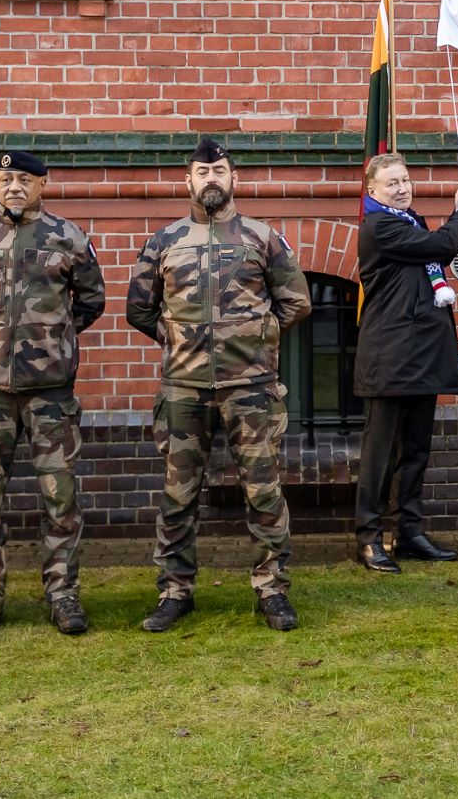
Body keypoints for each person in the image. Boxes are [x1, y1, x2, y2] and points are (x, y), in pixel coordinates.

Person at [126, 139, 311, 632]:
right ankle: (174, 591)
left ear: (234, 179)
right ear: (187, 180)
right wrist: (179, 341)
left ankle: (272, 590)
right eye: (203, 171)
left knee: (264, 492)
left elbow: (297, 302)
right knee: (178, 496)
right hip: (183, 391)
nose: (212, 178)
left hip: (251, 389)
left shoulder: (262, 238)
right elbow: (138, 308)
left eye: (220, 171)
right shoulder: (165, 241)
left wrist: (256, 339)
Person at [0, 150, 106, 639]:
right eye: (5, 179)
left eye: (23, 179)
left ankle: (62, 595)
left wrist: (53, 341)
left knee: (60, 500)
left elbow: (92, 300)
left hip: (51, 395)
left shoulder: (68, 237)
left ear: (43, 183)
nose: (14, 187)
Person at [351, 154, 458, 573]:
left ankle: (409, 532)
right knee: (379, 455)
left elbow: (433, 253)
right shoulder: (380, 226)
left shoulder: (408, 222)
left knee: (415, 451)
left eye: (405, 180)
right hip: (389, 359)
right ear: (372, 191)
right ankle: (369, 539)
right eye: (392, 183)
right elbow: (440, 247)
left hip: (421, 356)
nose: (402, 188)